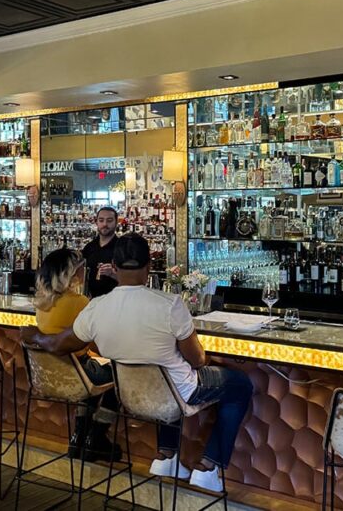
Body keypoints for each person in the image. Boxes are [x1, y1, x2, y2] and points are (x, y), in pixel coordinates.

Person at [47, 234, 253, 493]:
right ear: (148, 267)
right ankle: (208, 468)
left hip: (130, 397)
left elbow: (61, 343)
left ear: (114, 266)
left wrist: (34, 335)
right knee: (241, 385)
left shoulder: (96, 307)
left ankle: (167, 457)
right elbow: (198, 359)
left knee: (165, 379)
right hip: (177, 392)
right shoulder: (170, 304)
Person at [25, 248, 121, 462]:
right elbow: (95, 340)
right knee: (119, 374)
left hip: (50, 374)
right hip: (77, 372)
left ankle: (78, 437)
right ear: (70, 274)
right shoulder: (79, 302)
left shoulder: (42, 302)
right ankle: (96, 436)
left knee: (90, 376)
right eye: (79, 269)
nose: (83, 271)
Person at [81, 207, 119, 298]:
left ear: (116, 222)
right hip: (91, 302)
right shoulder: (89, 248)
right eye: (101, 220)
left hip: (115, 302)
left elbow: (132, 281)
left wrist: (113, 274)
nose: (105, 224)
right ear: (96, 222)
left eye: (109, 220)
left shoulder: (122, 248)